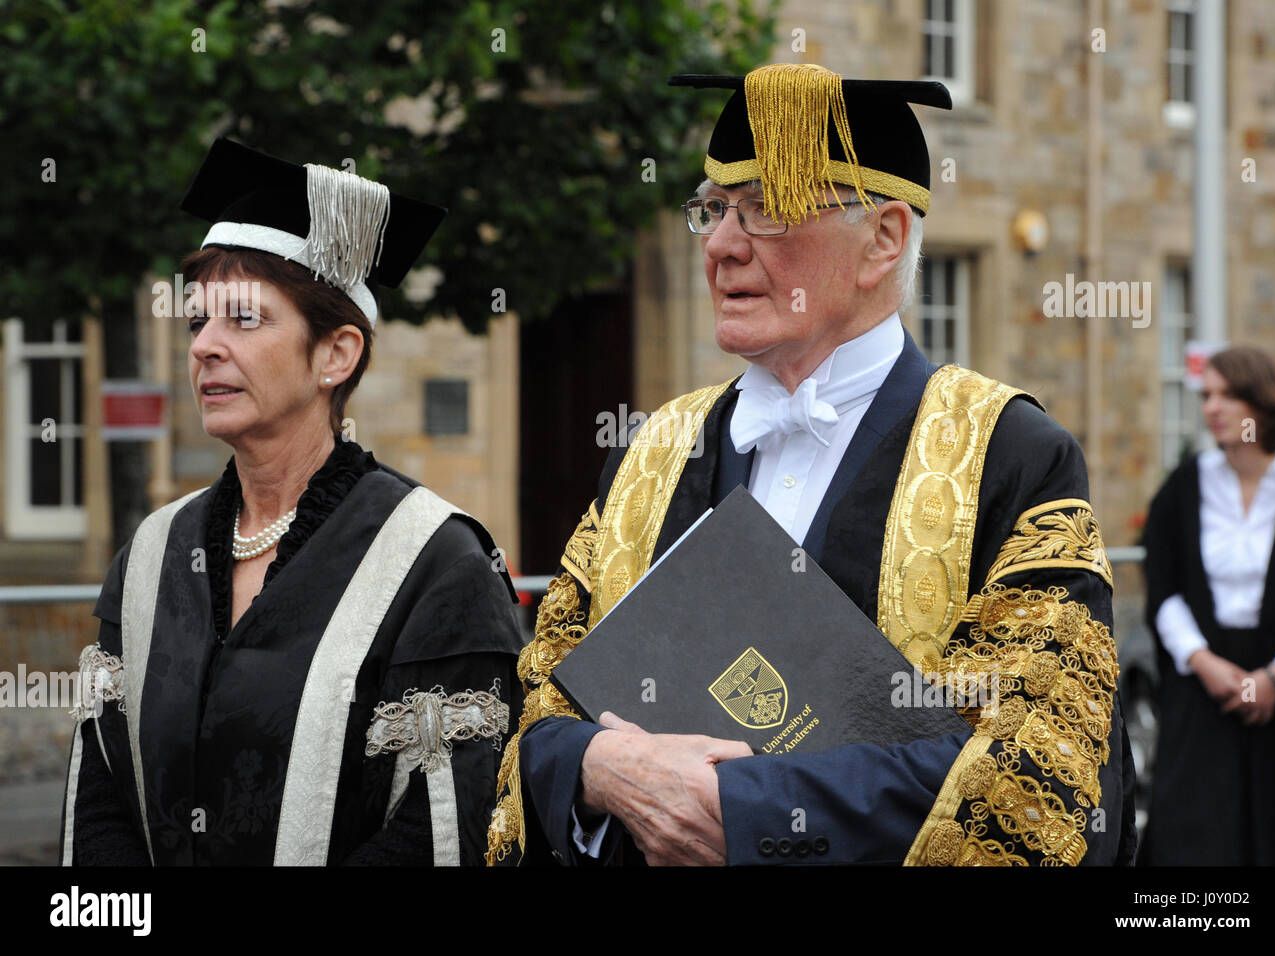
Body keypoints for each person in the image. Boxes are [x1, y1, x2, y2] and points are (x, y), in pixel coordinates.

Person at [487, 63, 1137, 867]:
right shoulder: (653, 450)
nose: (722, 245)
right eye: (714, 210)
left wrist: (742, 810)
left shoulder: (1007, 454)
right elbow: (545, 702)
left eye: (765, 211)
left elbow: (1037, 763)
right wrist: (599, 768)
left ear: (884, 239)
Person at [60, 138, 523, 866]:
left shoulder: (436, 563)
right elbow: (103, 805)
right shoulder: (152, 556)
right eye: (196, 322)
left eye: (242, 320)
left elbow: (441, 833)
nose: (205, 346)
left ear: (335, 355)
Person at [1141, 347, 1275, 865]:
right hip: (1204, 682)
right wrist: (1203, 662)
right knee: (1195, 836)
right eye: (1207, 395)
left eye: (1229, 394)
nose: (1213, 407)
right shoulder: (1186, 486)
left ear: (1264, 403)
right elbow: (1163, 590)